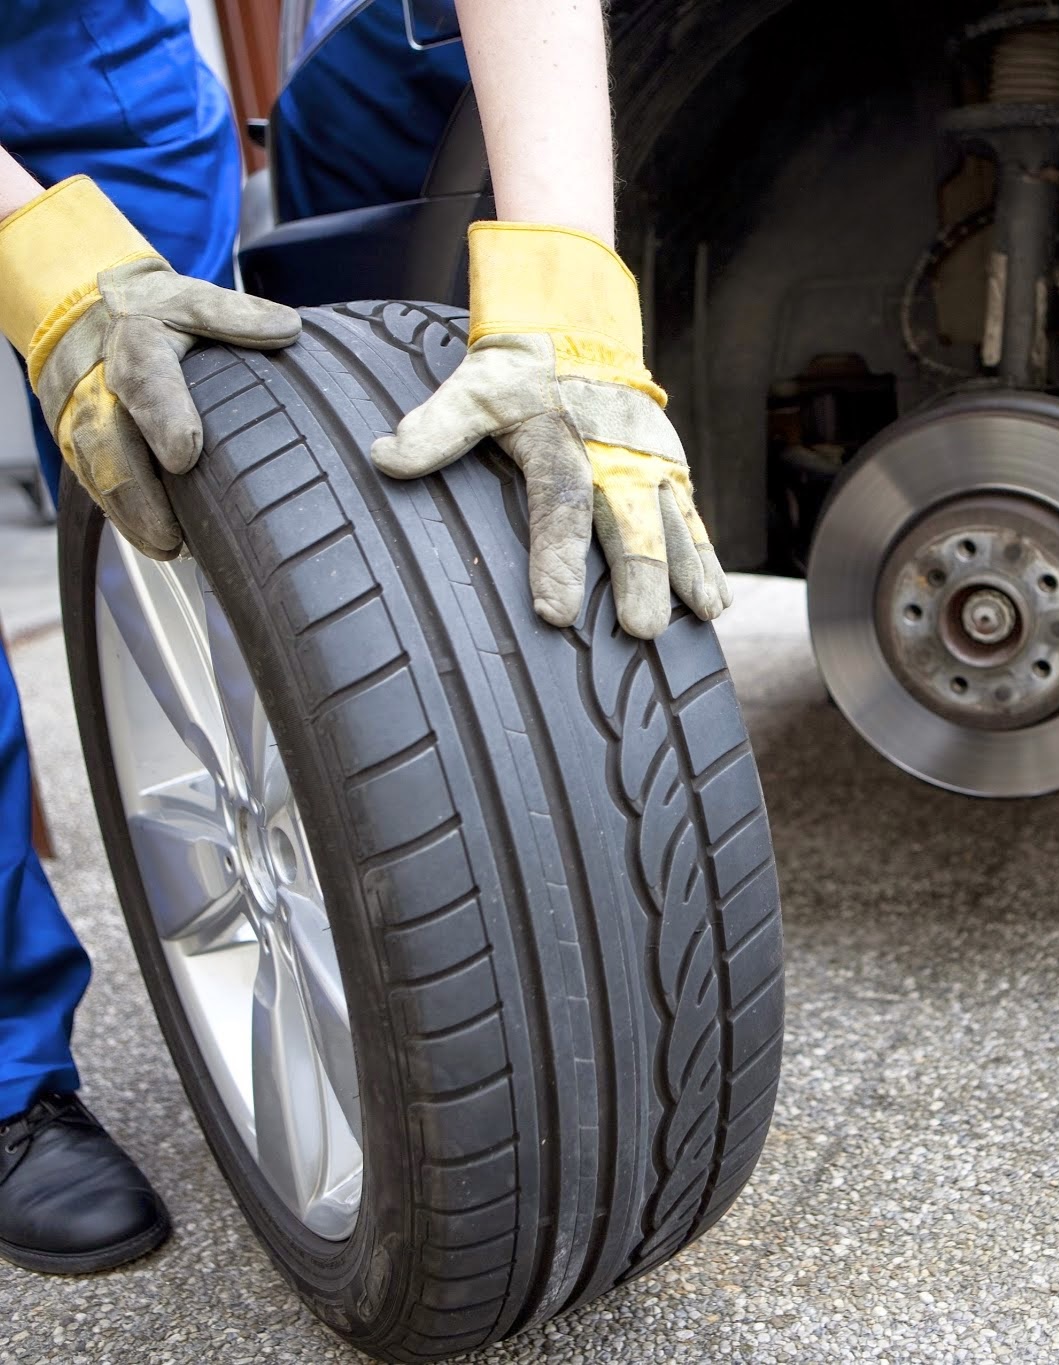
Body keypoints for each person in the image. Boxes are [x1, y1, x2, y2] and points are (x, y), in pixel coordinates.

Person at [0, 0, 725, 1275]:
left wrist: (567, 300)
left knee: (171, 454)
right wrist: (27, 258)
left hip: (84, 43)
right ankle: (6, 1077)